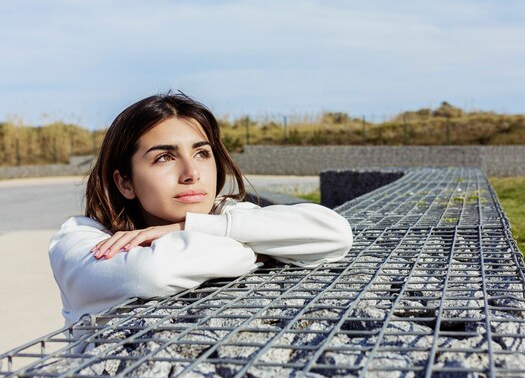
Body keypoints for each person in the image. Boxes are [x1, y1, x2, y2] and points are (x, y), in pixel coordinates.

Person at [49, 92, 353, 328]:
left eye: (202, 153)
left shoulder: (222, 214)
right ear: (125, 182)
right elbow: (151, 272)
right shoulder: (78, 242)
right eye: (164, 158)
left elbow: (334, 233)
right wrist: (256, 251)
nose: (191, 172)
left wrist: (187, 227)